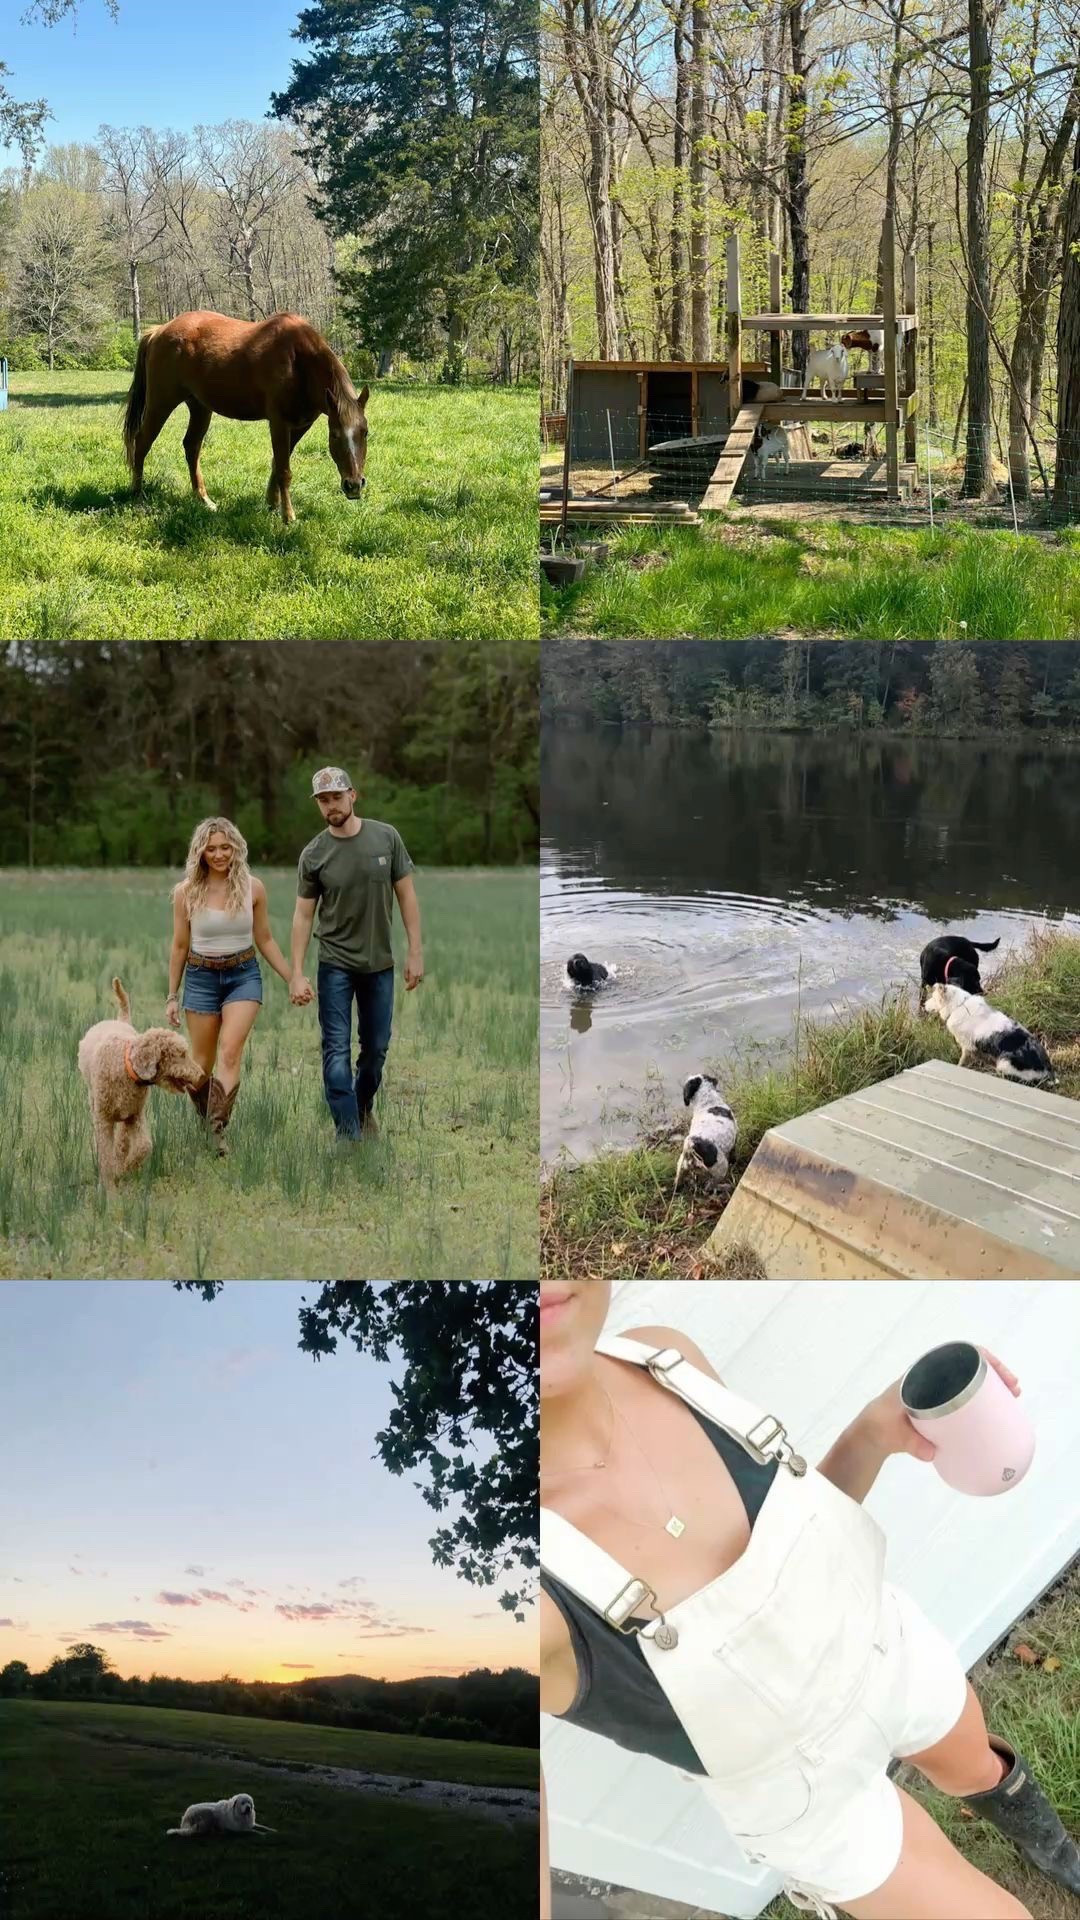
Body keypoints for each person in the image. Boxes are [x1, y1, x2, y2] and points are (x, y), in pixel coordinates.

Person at [539, 1282, 1080, 1920]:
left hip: (886, 1652)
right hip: (802, 1796)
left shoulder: (666, 1360)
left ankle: (1057, 1856)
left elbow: (797, 1540)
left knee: (975, 1766)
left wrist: (873, 1434)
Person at [289, 766, 423, 1140]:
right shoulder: (314, 854)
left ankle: (362, 1110)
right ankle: (348, 1136)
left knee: (376, 1050)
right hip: (334, 964)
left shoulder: (386, 838)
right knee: (335, 1054)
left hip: (379, 964)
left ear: (353, 795)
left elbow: (407, 896)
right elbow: (302, 916)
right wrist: (297, 972)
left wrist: (415, 952)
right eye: (323, 800)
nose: (330, 806)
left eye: (336, 797)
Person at [167, 816, 295, 1150]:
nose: (220, 854)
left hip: (243, 975)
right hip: (200, 977)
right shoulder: (186, 892)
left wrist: (292, 977)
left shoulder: (254, 888)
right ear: (201, 852)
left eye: (226, 847)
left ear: (236, 847)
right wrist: (171, 995)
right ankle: (207, 1117)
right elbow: (180, 946)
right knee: (200, 1066)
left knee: (230, 1050)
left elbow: (265, 939)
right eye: (212, 849)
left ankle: (216, 1129)